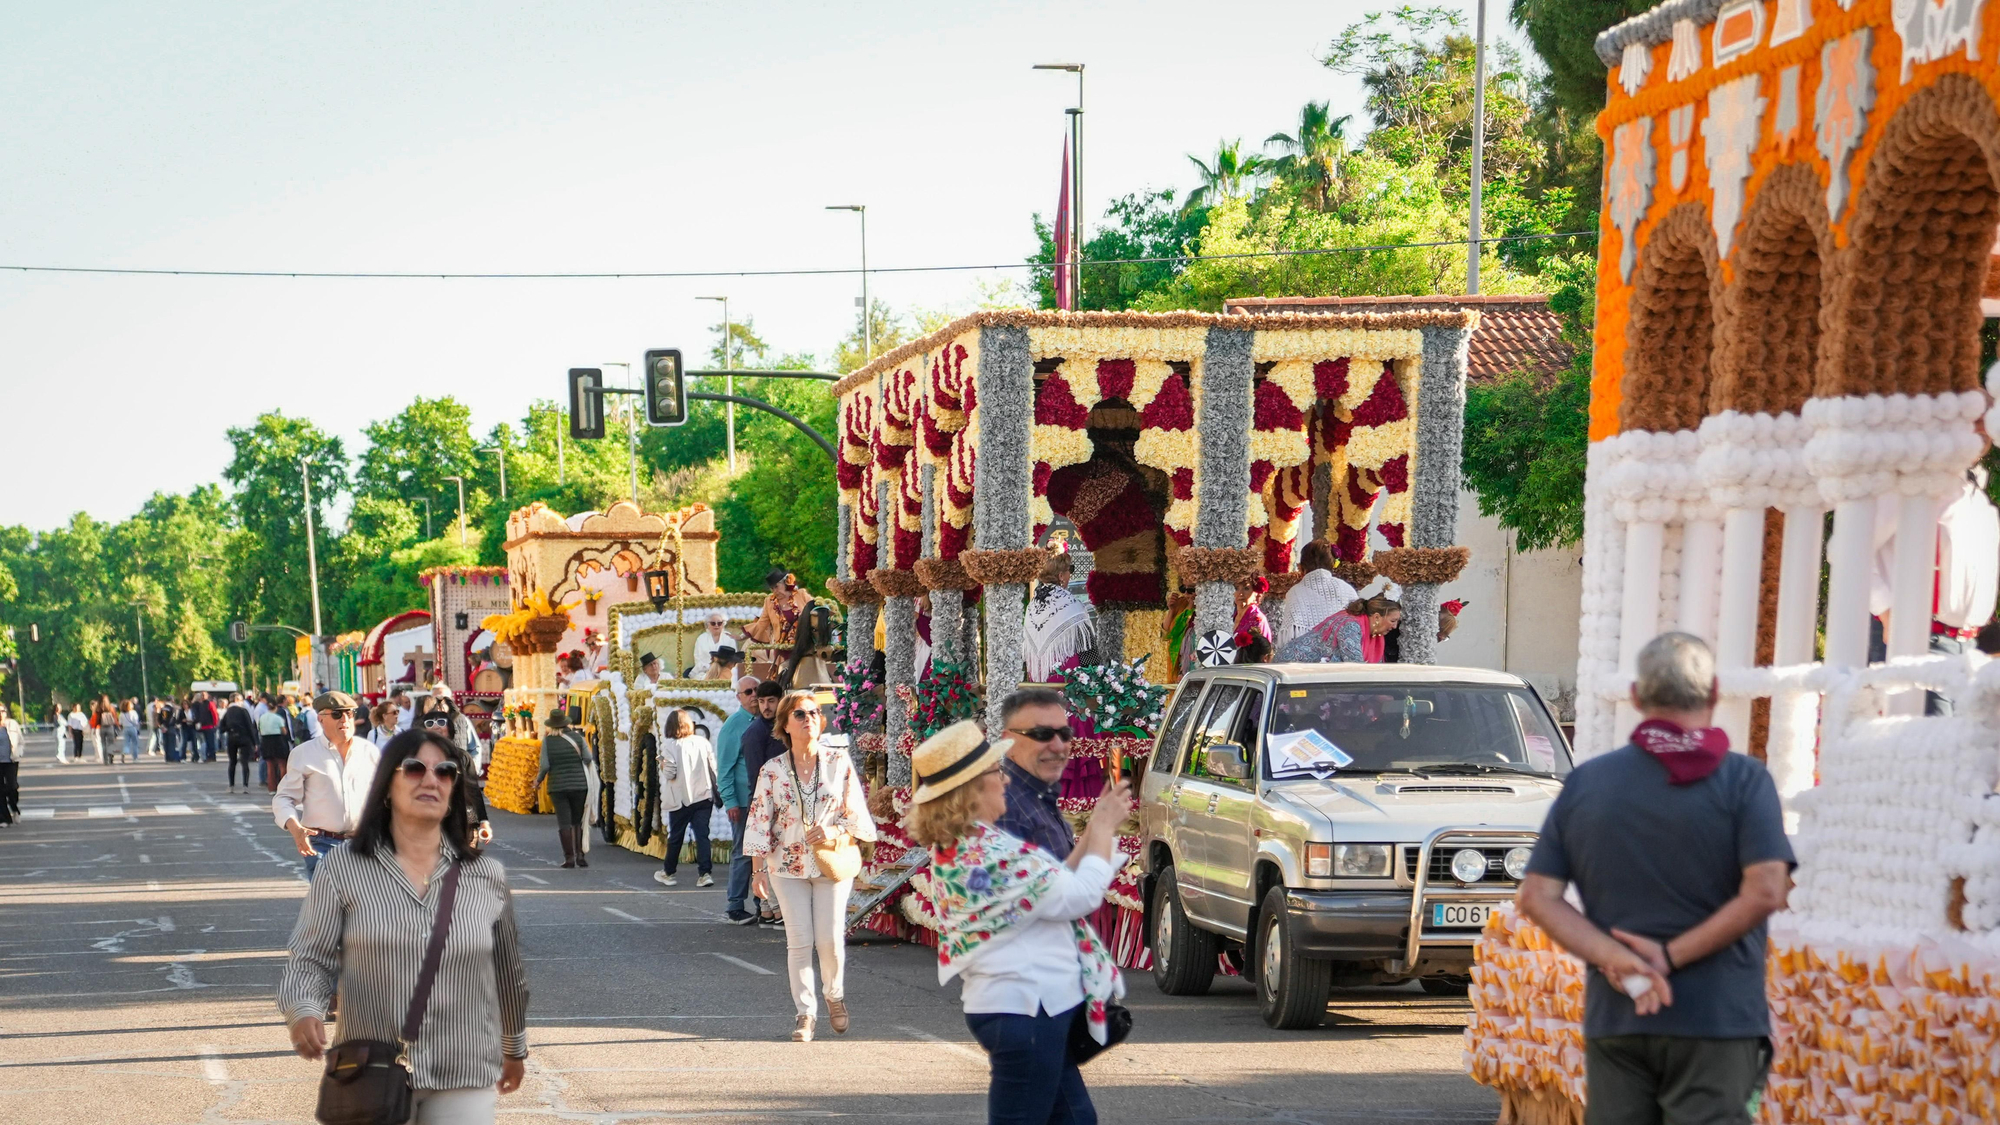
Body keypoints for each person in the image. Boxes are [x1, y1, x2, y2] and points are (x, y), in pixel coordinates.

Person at [1519, 632, 1794, 1125]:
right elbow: (1767, 890)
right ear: (1712, 695)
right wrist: (1667, 958)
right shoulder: (1744, 781)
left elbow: (1538, 897)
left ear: (1639, 697)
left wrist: (1620, 959)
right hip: (1718, 1016)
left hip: (1619, 1016)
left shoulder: (1589, 782)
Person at [278, 728, 528, 1123]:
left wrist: (513, 1046)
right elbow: (310, 956)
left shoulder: (485, 876)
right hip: (371, 1068)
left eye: (445, 772)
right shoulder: (342, 868)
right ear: (386, 785)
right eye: (414, 769)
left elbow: (507, 972)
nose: (431, 779)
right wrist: (303, 1007)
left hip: (462, 1070)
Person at [905, 720, 1134, 1125]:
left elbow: (1054, 882)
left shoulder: (974, 845)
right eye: (998, 772)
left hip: (1031, 1009)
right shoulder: (987, 853)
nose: (1006, 781)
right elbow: (1076, 896)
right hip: (1026, 1011)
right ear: (972, 789)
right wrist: (1100, 829)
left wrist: (1097, 831)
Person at [745, 690, 877, 1041]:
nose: (809, 720)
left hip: (831, 861)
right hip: (786, 864)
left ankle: (834, 995)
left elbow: (858, 817)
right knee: (799, 940)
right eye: (800, 715)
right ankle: (805, 1014)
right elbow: (760, 820)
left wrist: (833, 828)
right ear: (785, 724)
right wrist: (758, 870)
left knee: (830, 939)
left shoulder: (838, 762)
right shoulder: (772, 770)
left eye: (814, 713)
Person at [1868, 467, 2000, 714]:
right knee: (1923, 746)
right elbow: (1851, 549)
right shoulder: (1909, 484)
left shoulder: (1977, 496)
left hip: (1970, 649)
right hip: (1919, 642)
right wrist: (1886, 614)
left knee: (1962, 747)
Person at [272, 692, 384, 880]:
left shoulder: (369, 752)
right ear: (321, 719)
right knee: (330, 906)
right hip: (322, 845)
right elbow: (284, 798)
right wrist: (296, 829)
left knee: (365, 906)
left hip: (364, 844)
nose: (345, 720)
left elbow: (384, 796)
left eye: (350, 713)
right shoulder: (304, 753)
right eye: (337, 714)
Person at [992, 689, 1080, 859]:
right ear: (1008, 741)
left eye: (1065, 734)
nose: (1059, 746)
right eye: (1042, 734)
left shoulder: (1037, 794)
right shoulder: (1004, 807)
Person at [713, 675, 763, 923]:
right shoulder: (734, 726)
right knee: (743, 852)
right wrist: (731, 801)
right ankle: (735, 905)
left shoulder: (766, 721)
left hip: (765, 799)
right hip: (743, 801)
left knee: (764, 853)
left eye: (757, 691)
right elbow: (724, 768)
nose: (754, 695)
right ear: (739, 697)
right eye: (749, 692)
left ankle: (762, 903)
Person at [655, 708, 719, 887]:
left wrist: (660, 759)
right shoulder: (702, 742)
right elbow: (712, 766)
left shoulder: (669, 746)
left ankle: (669, 872)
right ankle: (705, 873)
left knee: (676, 836)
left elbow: (670, 772)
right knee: (702, 835)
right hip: (703, 795)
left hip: (681, 798)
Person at [417, 695, 493, 847]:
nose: (436, 726)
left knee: (466, 860)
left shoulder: (462, 757)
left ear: (450, 728)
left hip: (463, 816)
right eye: (430, 723)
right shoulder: (415, 756)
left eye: (441, 722)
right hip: (430, 818)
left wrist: (483, 822)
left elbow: (473, 790)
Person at [1022, 548, 1096, 682]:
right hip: (1065, 678)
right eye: (1070, 570)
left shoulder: (1031, 606)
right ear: (1061, 576)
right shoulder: (1072, 604)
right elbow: (1087, 648)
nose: (1070, 575)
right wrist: (1095, 678)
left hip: (1038, 680)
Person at [532, 709, 593, 869]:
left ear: (551, 725)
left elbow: (545, 765)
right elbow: (588, 758)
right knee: (577, 821)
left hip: (558, 787)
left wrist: (538, 781)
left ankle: (569, 858)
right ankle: (580, 855)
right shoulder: (578, 738)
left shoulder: (548, 741)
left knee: (564, 822)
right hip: (580, 785)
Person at [1275, 540, 1361, 649]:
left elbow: (1288, 639)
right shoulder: (1347, 590)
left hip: (1307, 660)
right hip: (1342, 658)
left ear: (1301, 567)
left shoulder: (1295, 592)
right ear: (1332, 564)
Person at [1276, 594, 1401, 664]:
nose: (1394, 627)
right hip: (1290, 670)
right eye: (1393, 621)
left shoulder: (1375, 636)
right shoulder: (1351, 626)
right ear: (1377, 617)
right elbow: (1355, 666)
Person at [220, 692, 257, 792]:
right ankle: (245, 785)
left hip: (232, 738)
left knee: (232, 762)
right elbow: (250, 727)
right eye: (241, 700)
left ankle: (231, 785)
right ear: (237, 700)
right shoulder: (243, 711)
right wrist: (255, 742)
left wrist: (230, 728)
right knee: (244, 762)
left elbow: (221, 728)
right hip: (244, 738)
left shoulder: (227, 712)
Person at [690, 613, 734, 677]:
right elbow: (698, 658)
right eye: (713, 623)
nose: (716, 625)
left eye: (719, 623)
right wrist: (710, 668)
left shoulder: (729, 638)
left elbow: (733, 658)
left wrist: (719, 669)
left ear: (723, 624)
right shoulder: (701, 638)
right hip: (704, 671)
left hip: (724, 671)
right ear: (708, 625)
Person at [1234, 575, 1273, 647]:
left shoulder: (1258, 619)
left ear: (1256, 593)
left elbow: (1262, 651)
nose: (1240, 594)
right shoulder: (1230, 616)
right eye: (1236, 588)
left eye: (1246, 588)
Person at [0, 709, 23, 825]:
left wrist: (19, 753)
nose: (1, 713)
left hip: (11, 761)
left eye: (2, 711)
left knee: (12, 787)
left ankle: (14, 809)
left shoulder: (12, 724)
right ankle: (4, 818)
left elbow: (21, 741)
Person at [191, 691, 220, 762]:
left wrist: (215, 723)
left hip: (209, 726)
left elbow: (214, 714)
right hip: (202, 726)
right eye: (201, 695)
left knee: (210, 742)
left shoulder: (210, 703)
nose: (202, 697)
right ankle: (207, 756)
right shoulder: (200, 704)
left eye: (204, 695)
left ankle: (212, 756)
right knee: (205, 742)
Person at [156, 696, 181, 762]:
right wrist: (167, 726)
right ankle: (171, 757)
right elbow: (171, 719)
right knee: (171, 743)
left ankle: (167, 757)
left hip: (163, 727)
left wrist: (162, 725)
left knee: (166, 743)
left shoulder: (163, 708)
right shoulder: (172, 708)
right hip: (170, 727)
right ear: (172, 700)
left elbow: (159, 718)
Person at [120, 699, 142, 764]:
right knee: (135, 743)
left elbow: (120, 722)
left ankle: (125, 752)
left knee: (126, 742)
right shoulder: (133, 712)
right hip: (132, 728)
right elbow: (136, 721)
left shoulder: (121, 714)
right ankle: (135, 758)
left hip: (125, 729)